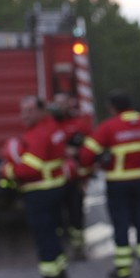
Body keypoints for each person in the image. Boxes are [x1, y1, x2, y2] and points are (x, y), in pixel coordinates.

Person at [78, 90, 140, 278]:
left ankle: (123, 269)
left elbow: (87, 153)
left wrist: (88, 169)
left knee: (121, 223)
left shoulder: (109, 127)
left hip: (118, 183)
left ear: (113, 108)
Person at [0, 95, 70, 278]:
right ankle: (61, 276)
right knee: (54, 236)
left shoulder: (39, 134)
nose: (25, 115)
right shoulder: (53, 127)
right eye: (22, 110)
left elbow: (29, 169)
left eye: (30, 110)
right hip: (54, 189)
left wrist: (5, 171)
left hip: (40, 193)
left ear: (42, 111)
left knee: (44, 237)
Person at [51, 92, 95, 260]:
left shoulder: (79, 124)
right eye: (57, 102)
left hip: (75, 179)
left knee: (76, 213)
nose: (61, 106)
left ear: (70, 104)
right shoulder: (48, 124)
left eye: (64, 103)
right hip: (53, 181)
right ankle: (60, 247)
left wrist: (85, 176)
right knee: (55, 215)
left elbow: (92, 148)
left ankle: (78, 247)